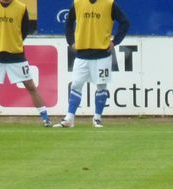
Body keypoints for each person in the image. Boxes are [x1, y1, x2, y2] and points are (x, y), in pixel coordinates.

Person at [53, 0, 130, 128]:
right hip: (82, 54)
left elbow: (125, 22)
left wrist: (115, 41)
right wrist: (71, 42)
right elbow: (68, 23)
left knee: (101, 86)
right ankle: (69, 118)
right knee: (76, 84)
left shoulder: (109, 4)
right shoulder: (77, 3)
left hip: (102, 54)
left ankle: (97, 118)